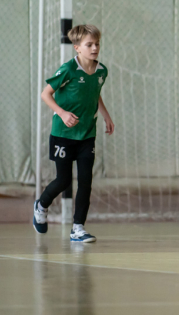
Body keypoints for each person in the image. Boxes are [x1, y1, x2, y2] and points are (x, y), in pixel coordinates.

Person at [33, 24, 114, 243]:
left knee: (86, 181)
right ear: (77, 47)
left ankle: (78, 228)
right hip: (63, 134)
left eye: (97, 44)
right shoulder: (68, 69)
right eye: (89, 44)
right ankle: (41, 205)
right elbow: (45, 94)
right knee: (63, 180)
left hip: (87, 134)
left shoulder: (102, 71)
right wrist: (62, 113)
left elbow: (94, 93)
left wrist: (106, 115)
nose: (95, 48)